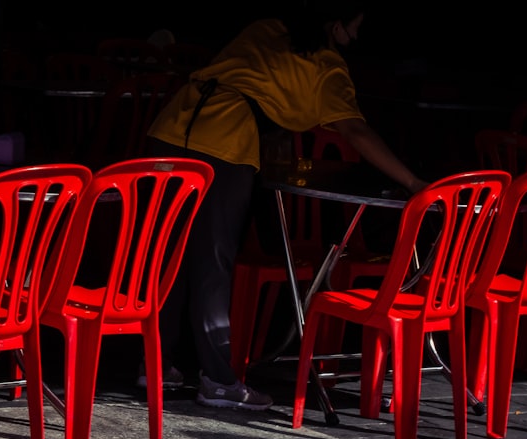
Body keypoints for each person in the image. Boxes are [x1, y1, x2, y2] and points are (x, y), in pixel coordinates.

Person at [142, 2, 430, 411]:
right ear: (334, 24)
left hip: (173, 125)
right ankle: (219, 381)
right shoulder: (328, 66)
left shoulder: (266, 26)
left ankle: (155, 362)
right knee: (213, 262)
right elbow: (354, 130)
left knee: (167, 253)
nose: (356, 40)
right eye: (354, 29)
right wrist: (412, 181)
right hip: (222, 142)